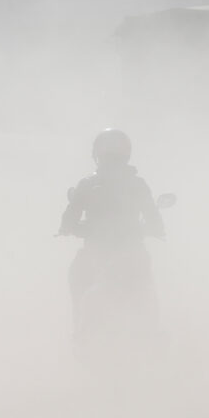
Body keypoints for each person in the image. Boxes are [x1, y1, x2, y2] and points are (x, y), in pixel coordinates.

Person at [58, 128, 165, 334]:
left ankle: (79, 331)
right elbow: (156, 222)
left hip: (96, 253)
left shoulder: (87, 184)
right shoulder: (138, 184)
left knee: (78, 277)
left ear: (97, 154)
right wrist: (148, 230)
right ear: (127, 153)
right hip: (130, 254)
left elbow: (68, 221)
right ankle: (153, 331)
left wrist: (76, 230)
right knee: (147, 287)